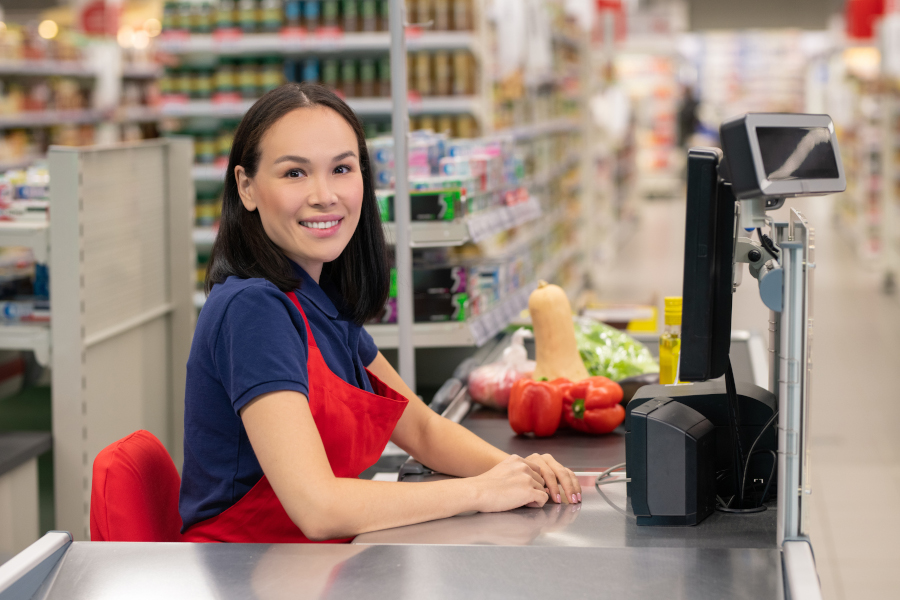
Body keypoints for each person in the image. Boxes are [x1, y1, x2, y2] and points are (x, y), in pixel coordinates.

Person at [179, 82, 582, 543]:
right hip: (247, 571)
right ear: (246, 187)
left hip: (307, 565)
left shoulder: (318, 300)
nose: (324, 194)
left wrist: (520, 471)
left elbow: (424, 429)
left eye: (342, 169)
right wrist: (479, 492)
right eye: (294, 173)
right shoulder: (252, 311)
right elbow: (318, 507)